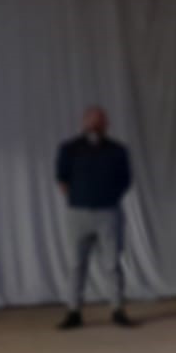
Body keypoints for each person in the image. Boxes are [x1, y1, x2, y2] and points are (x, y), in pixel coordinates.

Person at [56, 106, 134, 330]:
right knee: (75, 264)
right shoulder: (69, 148)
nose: (95, 125)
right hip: (78, 214)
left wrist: (109, 197)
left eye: (100, 121)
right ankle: (73, 311)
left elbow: (125, 180)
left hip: (108, 213)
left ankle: (117, 309)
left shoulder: (117, 150)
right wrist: (79, 197)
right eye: (91, 121)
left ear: (106, 124)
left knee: (112, 264)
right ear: (84, 122)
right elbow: (62, 178)